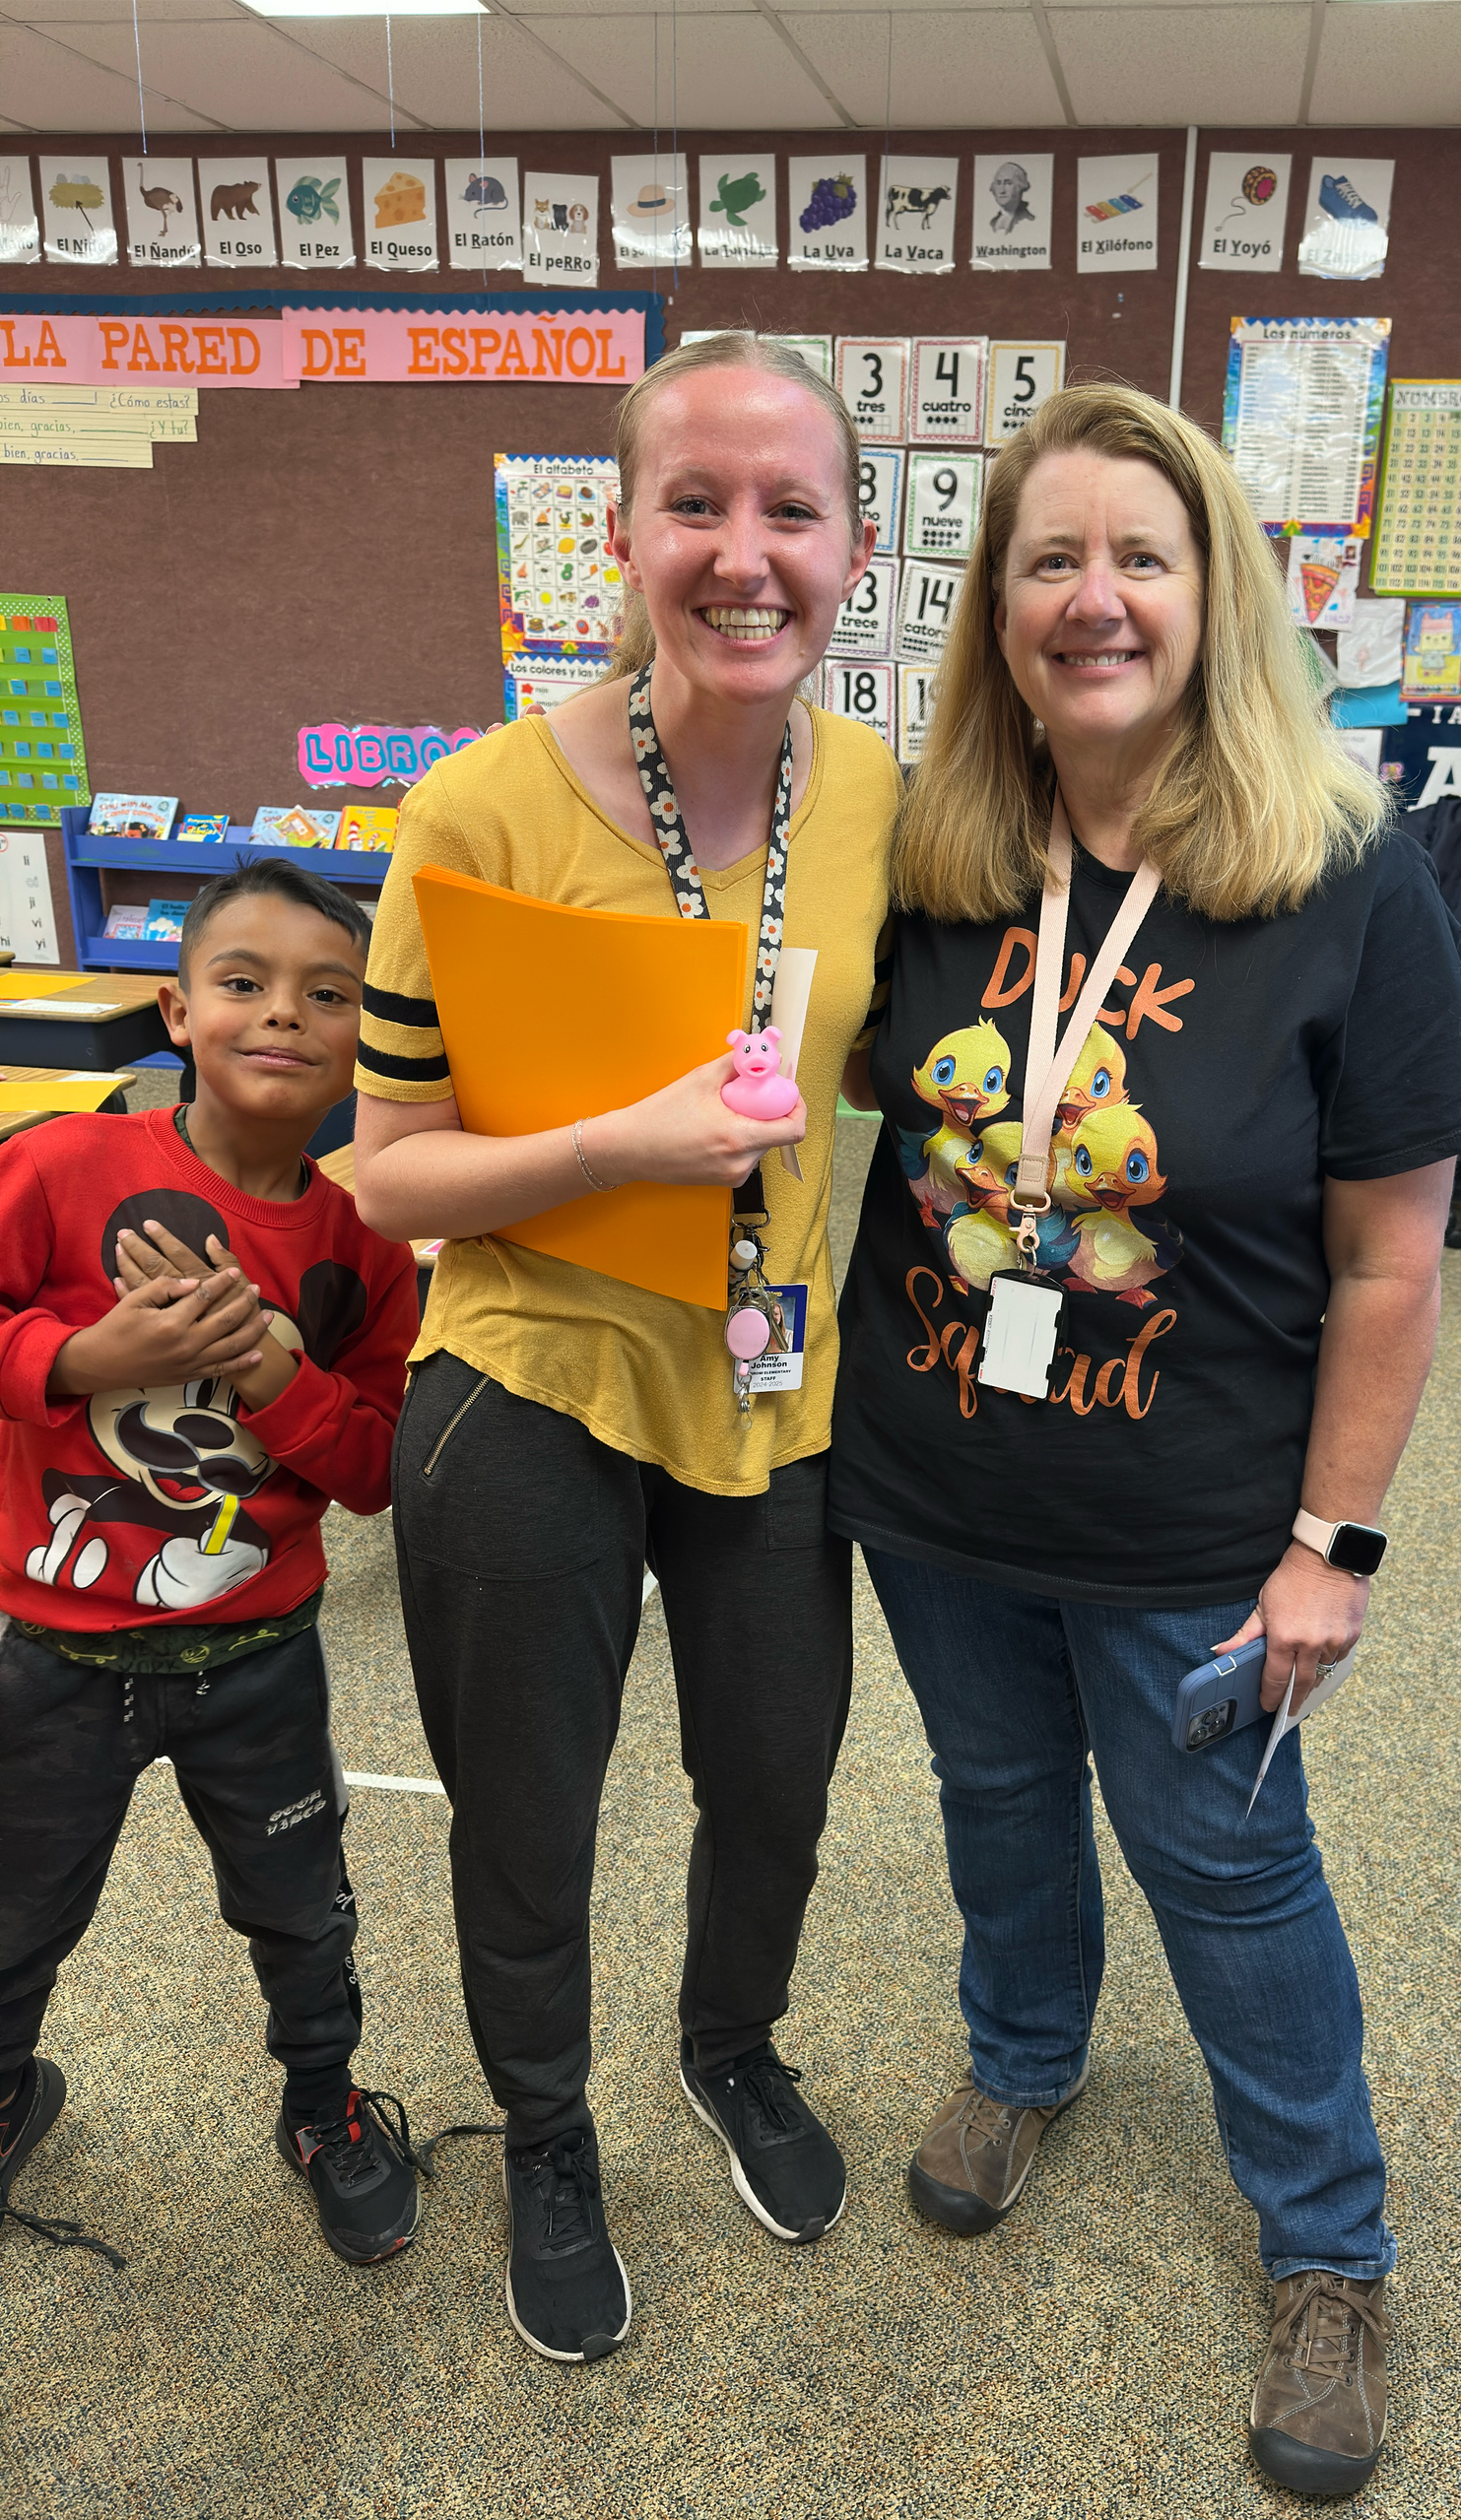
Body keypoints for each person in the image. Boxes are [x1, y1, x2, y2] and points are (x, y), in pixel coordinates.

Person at [828, 384, 1461, 2499]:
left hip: (1206, 1506)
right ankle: (1024, 2054)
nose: (1094, 597)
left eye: (1142, 553)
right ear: (995, 608)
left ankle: (1330, 2249)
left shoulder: (1337, 873)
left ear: (1218, 591)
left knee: (1228, 1861)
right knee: (997, 1790)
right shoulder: (925, 856)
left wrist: (1340, 1544)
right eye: (1049, 558)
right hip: (936, 1479)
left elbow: (1394, 1264)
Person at [351, 332, 898, 2365]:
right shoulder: (482, 808)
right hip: (533, 1378)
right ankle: (549, 2129)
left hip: (772, 1383)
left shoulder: (888, 808)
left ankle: (729, 2044)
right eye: (698, 503)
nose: (744, 552)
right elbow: (389, 1175)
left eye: (791, 508)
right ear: (624, 534)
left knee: (774, 1773)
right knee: (530, 1802)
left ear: (852, 543)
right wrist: (620, 1142)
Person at [0, 861, 422, 2272]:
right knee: (17, 1906)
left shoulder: (365, 1247)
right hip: (47, 1653)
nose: (283, 1016)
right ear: (177, 1010)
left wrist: (280, 1377)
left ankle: (324, 2105)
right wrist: (74, 1358)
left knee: (303, 1913)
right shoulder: (64, 1167)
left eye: (328, 994)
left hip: (257, 1657)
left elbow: (372, 1469)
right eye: (244, 983)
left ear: (367, 1035)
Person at [987, 162, 1034, 234]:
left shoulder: (1029, 221)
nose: (1002, 190)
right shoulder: (992, 223)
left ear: (1020, 187)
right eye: (998, 183)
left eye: (1008, 183)